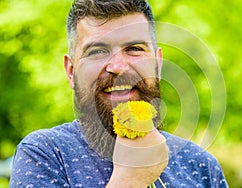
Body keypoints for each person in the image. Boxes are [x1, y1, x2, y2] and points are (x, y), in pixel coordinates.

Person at [9, 0, 228, 187]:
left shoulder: (202, 167)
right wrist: (130, 179)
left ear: (157, 64)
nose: (118, 66)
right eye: (97, 51)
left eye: (134, 49)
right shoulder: (44, 155)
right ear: (71, 71)